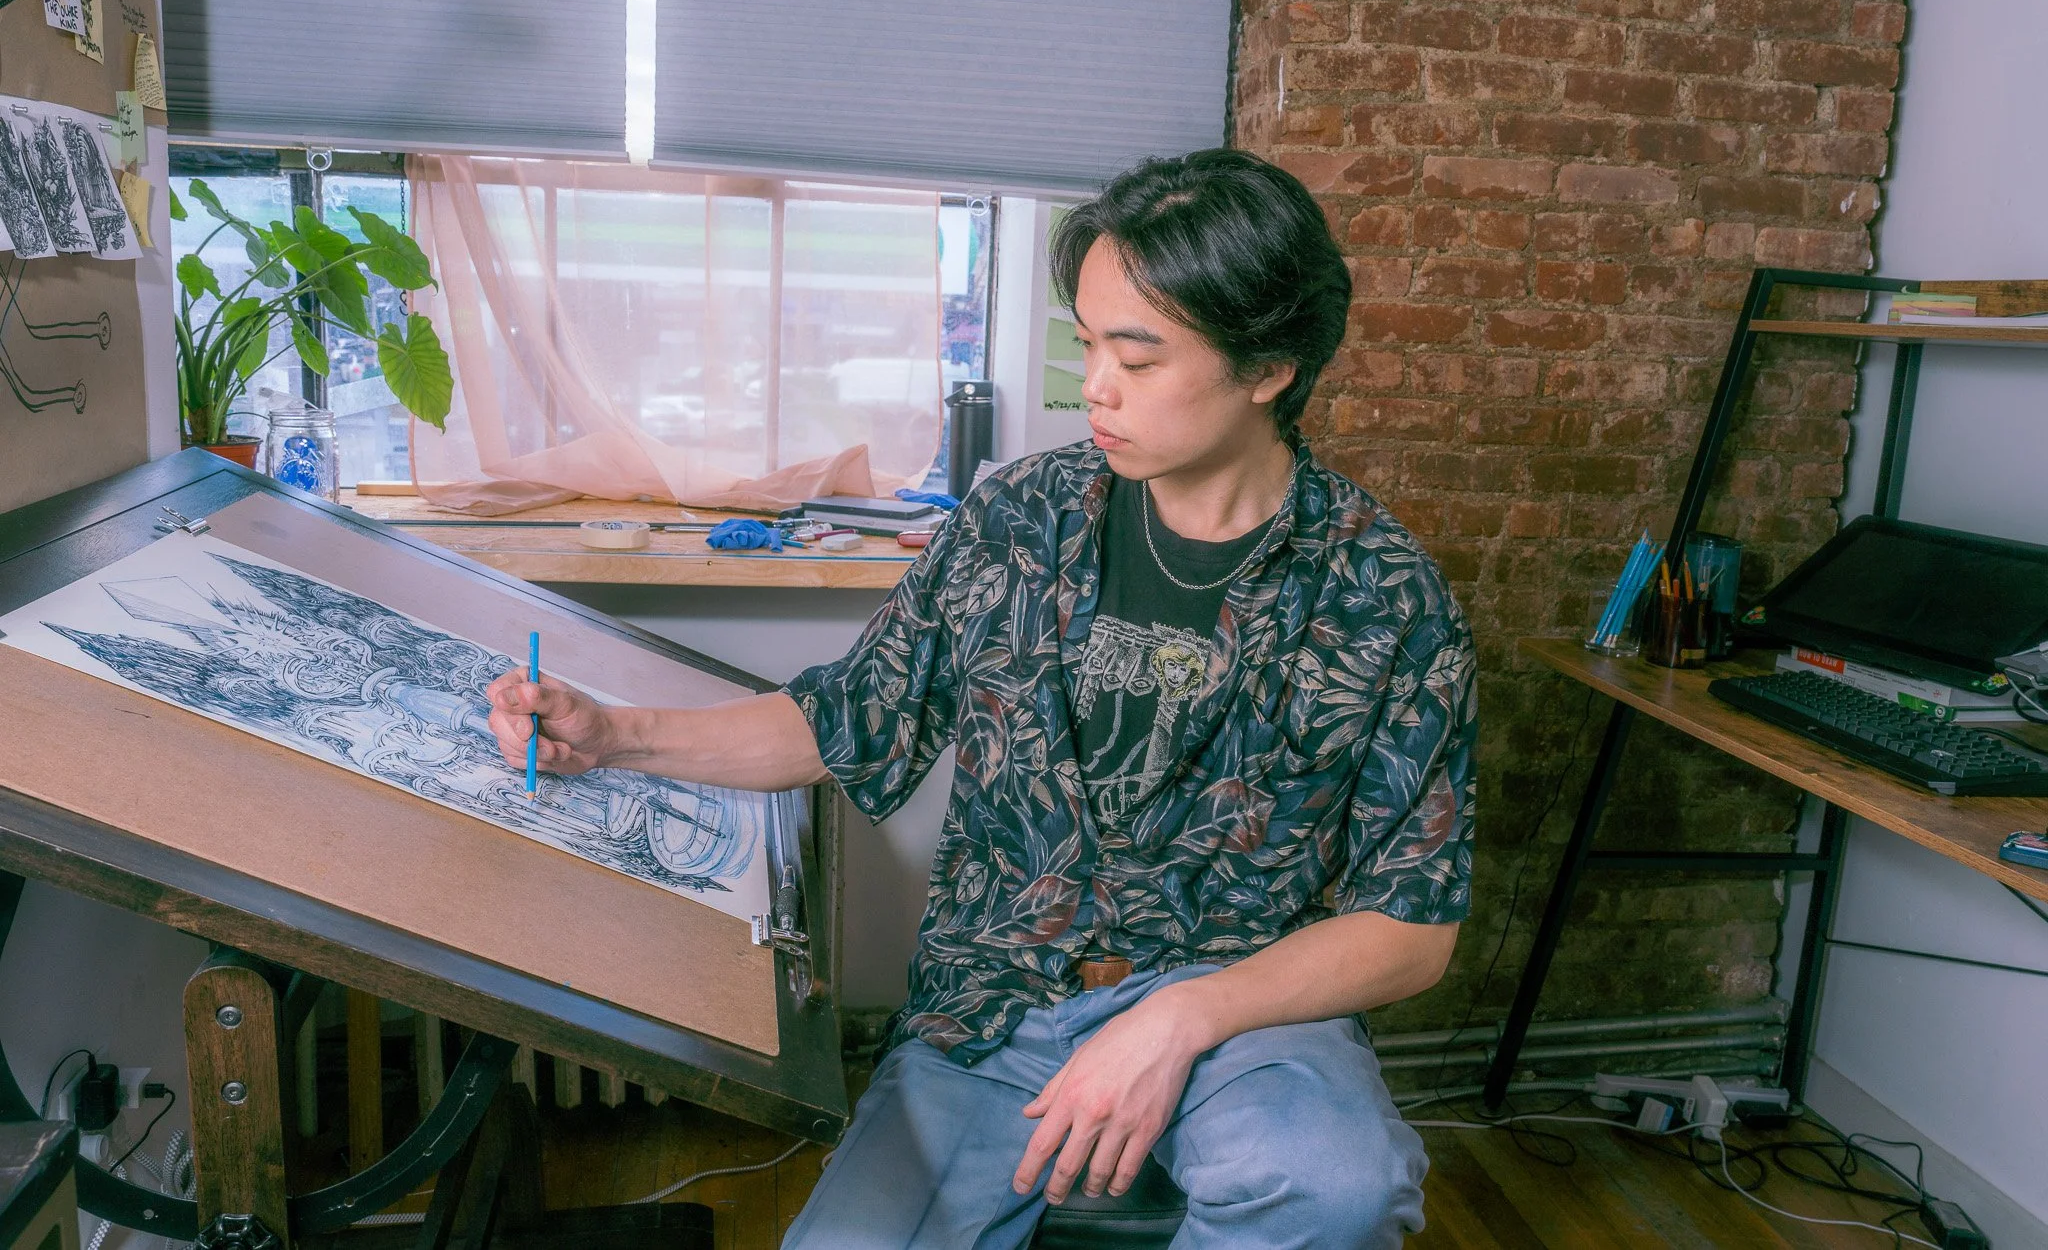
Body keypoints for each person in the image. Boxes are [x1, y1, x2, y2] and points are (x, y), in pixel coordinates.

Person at [485, 148, 1478, 1249]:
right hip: (997, 1003)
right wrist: (613, 732)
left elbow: (1410, 922)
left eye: (1137, 357)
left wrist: (1185, 1014)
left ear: (1266, 367)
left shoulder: (1379, 589)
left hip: (1240, 1014)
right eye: (1087, 342)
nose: (1093, 386)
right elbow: (847, 717)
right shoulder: (1020, 517)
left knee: (1336, 1187)